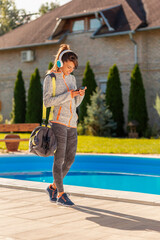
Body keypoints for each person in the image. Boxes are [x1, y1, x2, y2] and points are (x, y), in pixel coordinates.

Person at [44, 44, 86, 206]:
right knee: (59, 159)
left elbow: (74, 103)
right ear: (61, 63)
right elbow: (48, 102)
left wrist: (79, 95)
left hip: (72, 123)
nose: (70, 70)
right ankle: (61, 194)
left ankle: (53, 187)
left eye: (73, 68)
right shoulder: (50, 78)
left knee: (70, 160)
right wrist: (69, 94)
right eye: (68, 67)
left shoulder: (72, 78)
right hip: (58, 122)